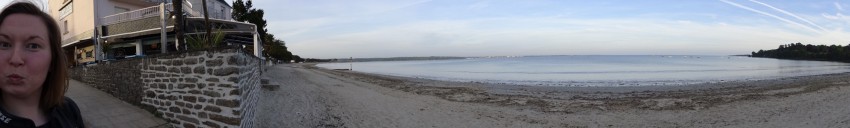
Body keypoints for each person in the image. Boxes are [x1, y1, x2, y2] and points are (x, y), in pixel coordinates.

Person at [0, 1, 84, 128]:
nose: (16, 59)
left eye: (33, 46)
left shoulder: (68, 110)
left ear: (52, 61)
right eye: (4, 44)